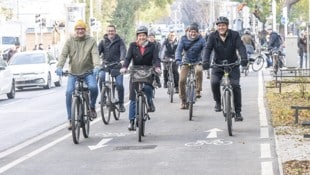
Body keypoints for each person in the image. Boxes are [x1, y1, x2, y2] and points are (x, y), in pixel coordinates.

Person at [55, 19, 101, 130]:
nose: (80, 31)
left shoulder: (91, 41)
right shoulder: (69, 41)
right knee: (69, 92)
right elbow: (63, 55)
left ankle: (92, 106)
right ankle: (70, 119)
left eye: (82, 29)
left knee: (94, 87)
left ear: (85, 30)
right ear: (75, 30)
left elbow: (95, 54)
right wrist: (60, 66)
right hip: (73, 73)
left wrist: (97, 66)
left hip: (88, 72)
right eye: (78, 29)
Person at [202, 16, 248, 121]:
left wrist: (244, 59)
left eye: (223, 25)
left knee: (235, 85)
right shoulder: (212, 36)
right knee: (214, 82)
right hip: (218, 65)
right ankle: (218, 102)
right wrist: (205, 61)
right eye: (219, 25)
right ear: (217, 27)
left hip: (232, 64)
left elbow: (241, 47)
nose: (221, 27)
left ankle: (238, 112)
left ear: (227, 26)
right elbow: (208, 49)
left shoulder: (235, 35)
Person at [120, 26, 161, 131]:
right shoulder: (133, 45)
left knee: (148, 89)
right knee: (133, 97)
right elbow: (128, 58)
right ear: (137, 36)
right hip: (135, 71)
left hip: (148, 71)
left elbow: (156, 58)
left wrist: (157, 68)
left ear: (146, 36)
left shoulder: (152, 46)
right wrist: (124, 67)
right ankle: (132, 120)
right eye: (140, 35)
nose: (141, 37)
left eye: (143, 35)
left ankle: (149, 101)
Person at [175, 23, 206, 109]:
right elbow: (178, 50)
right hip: (186, 61)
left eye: (194, 32)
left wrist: (204, 60)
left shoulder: (202, 40)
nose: (193, 33)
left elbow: (205, 50)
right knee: (182, 80)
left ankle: (198, 91)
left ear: (197, 33)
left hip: (197, 61)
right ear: (188, 32)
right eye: (191, 31)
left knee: (199, 70)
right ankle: (183, 100)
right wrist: (178, 60)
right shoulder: (183, 39)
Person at [98, 24, 126, 112]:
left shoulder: (120, 41)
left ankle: (121, 103)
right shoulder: (102, 41)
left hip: (117, 66)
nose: (110, 32)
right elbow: (96, 53)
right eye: (109, 31)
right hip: (106, 66)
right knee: (101, 78)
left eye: (112, 31)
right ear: (107, 32)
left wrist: (122, 60)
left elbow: (123, 51)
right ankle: (104, 96)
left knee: (120, 85)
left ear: (115, 31)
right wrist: (96, 62)